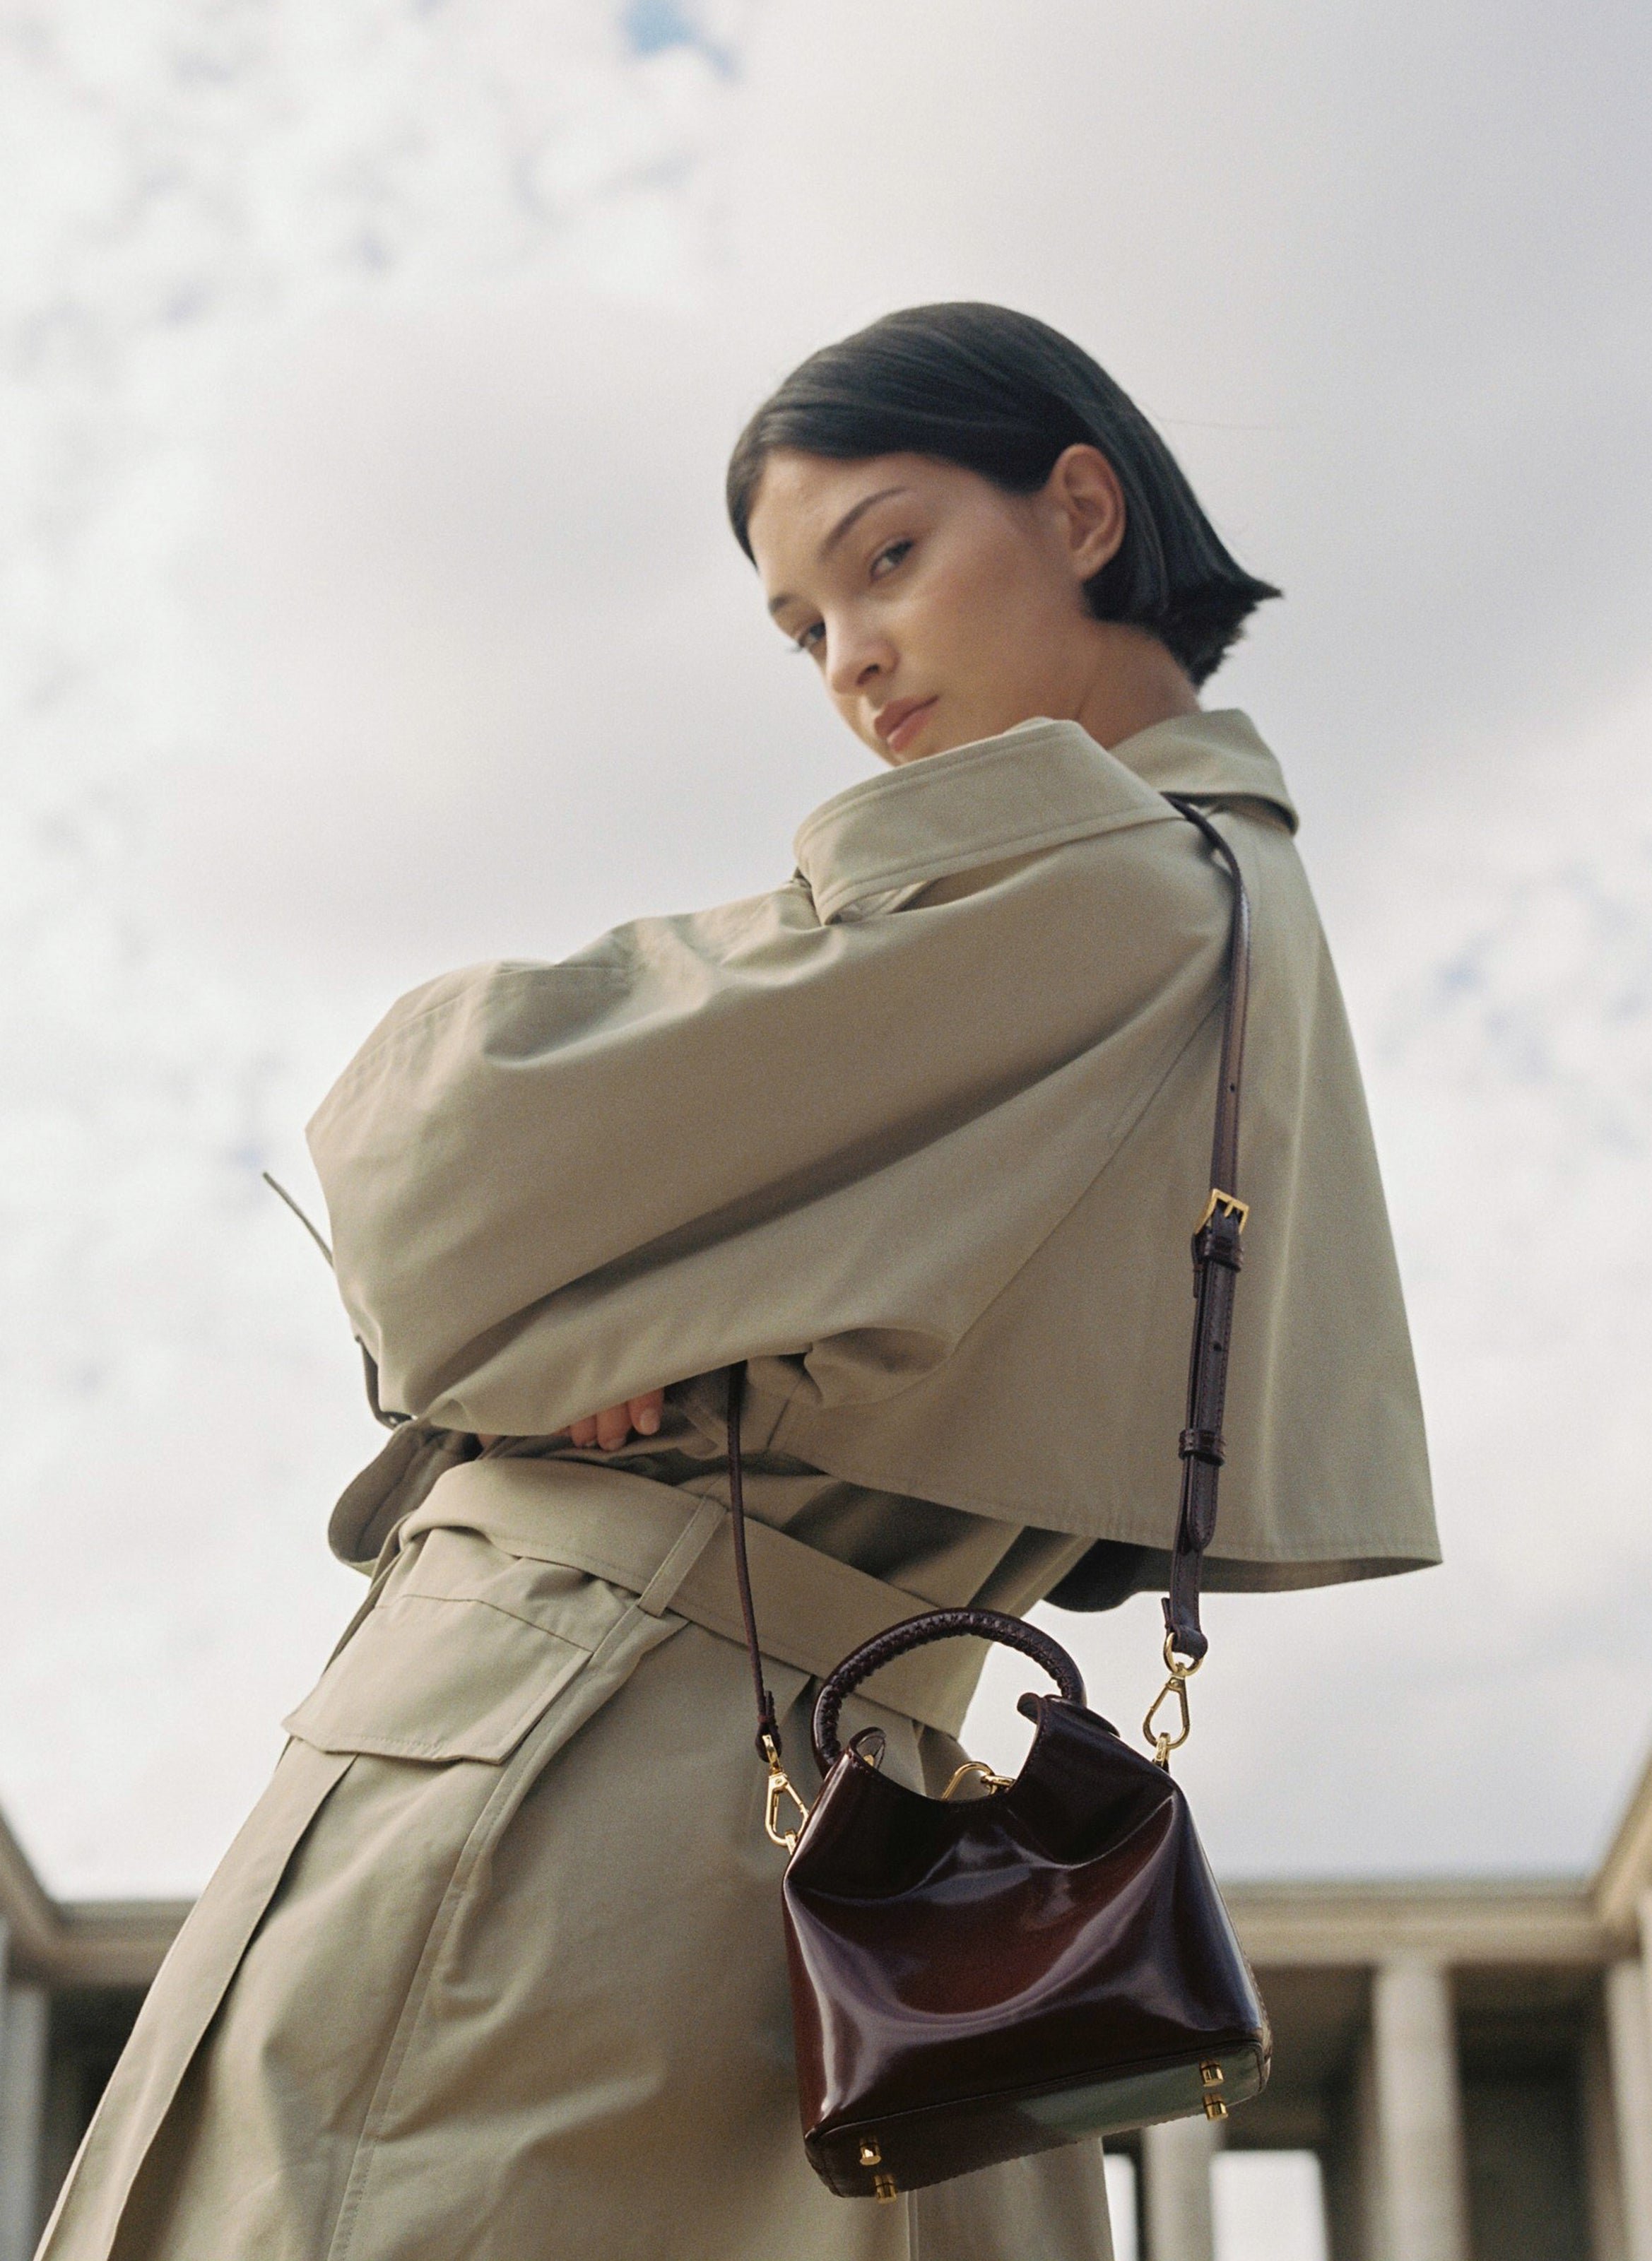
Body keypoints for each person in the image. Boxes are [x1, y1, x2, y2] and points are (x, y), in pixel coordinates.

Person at [40, 304, 1437, 2261]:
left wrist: (592, 1319)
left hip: (584, 1765)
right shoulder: (1221, 904)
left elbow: (441, 1152)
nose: (851, 656)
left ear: (1083, 508)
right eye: (800, 626)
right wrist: (638, 1316)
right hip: (807, 1798)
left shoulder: (1093, 874)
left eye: (886, 557)